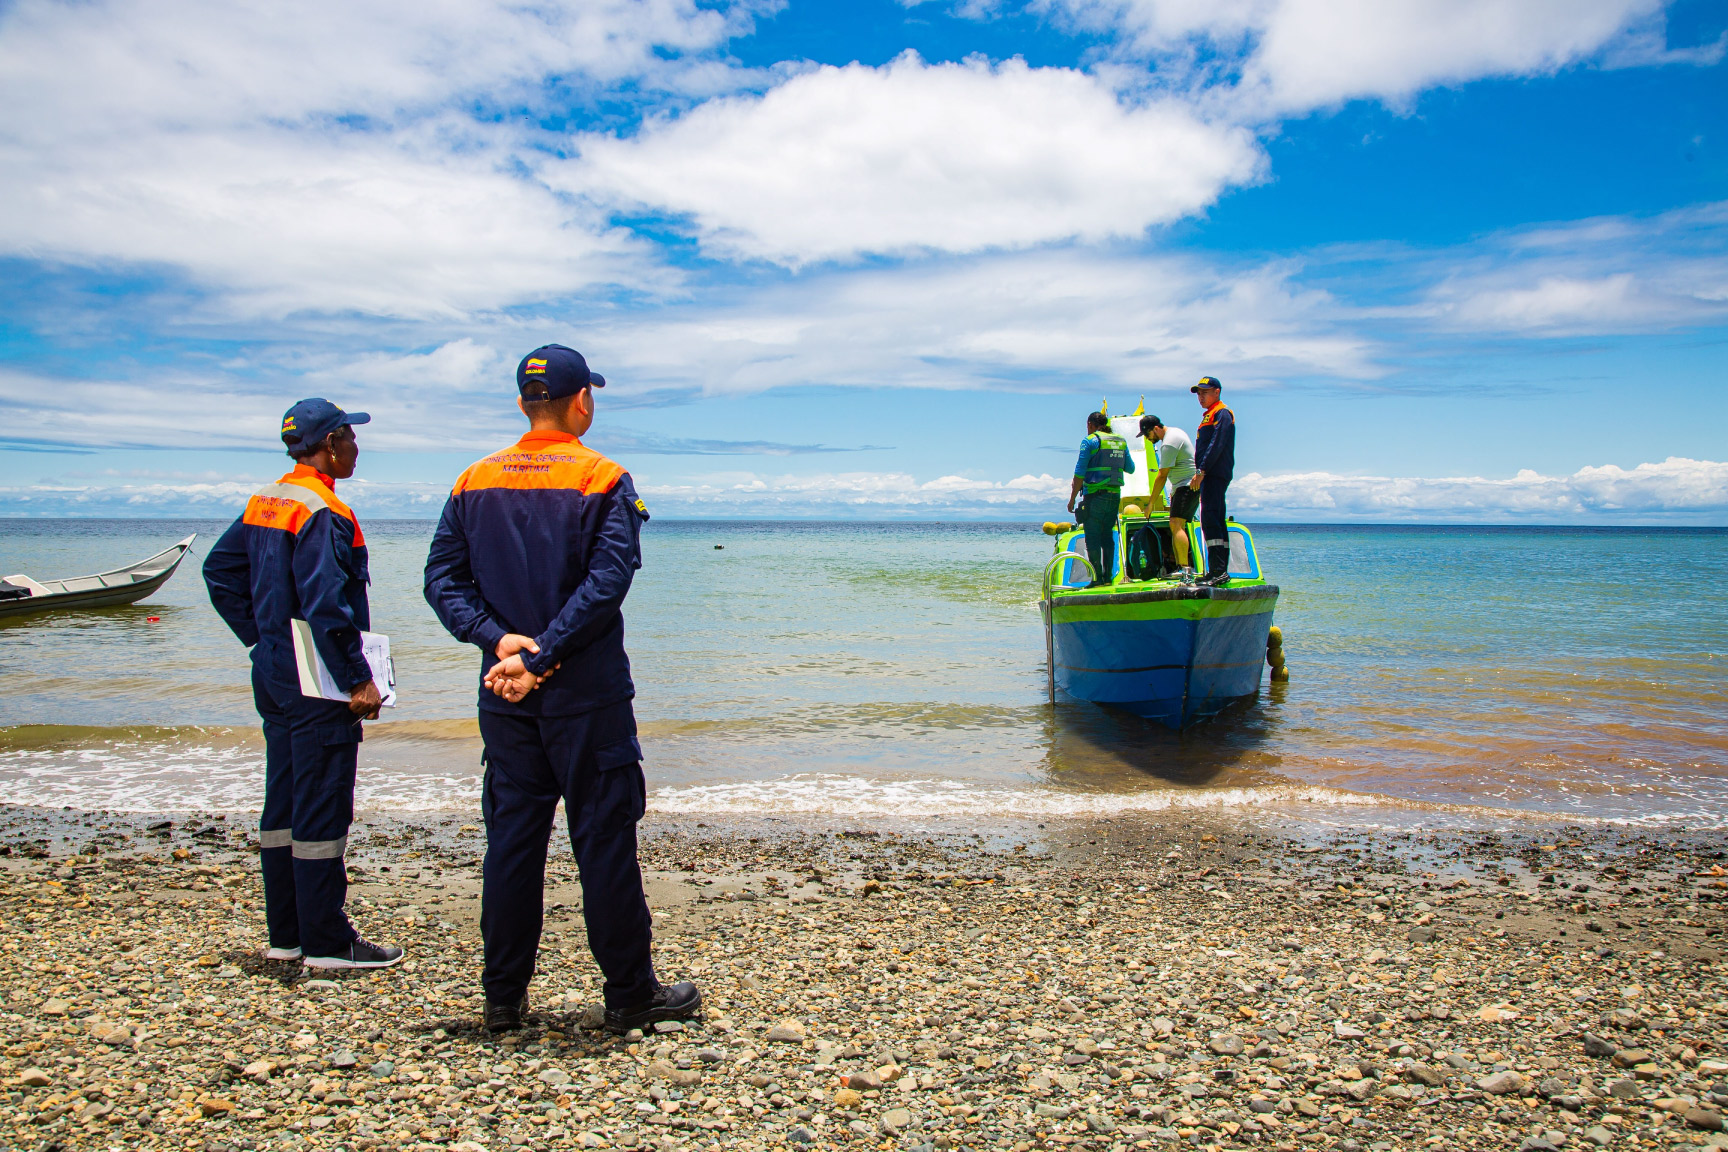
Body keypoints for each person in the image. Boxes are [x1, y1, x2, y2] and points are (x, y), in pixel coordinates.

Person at [423, 344, 700, 1036]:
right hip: (586, 696)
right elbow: (607, 584)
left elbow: (440, 580)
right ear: (583, 402)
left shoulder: (472, 480)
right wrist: (541, 651)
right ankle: (630, 994)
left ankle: (502, 1000)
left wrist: (496, 640)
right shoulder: (602, 476)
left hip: (506, 694)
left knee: (513, 843)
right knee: (602, 841)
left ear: (524, 404)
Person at [203, 400, 403, 970]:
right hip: (316, 683)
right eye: (352, 438)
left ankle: (286, 934)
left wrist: (262, 638)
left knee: (285, 802)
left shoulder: (269, 500)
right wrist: (359, 680)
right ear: (332, 442)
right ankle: (325, 943)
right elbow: (326, 606)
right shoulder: (323, 510)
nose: (357, 449)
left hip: (273, 674)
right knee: (320, 808)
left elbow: (220, 574)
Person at [1067, 410, 1135, 587]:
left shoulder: (1090, 441)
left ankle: (1096, 579)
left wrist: (1072, 499)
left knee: (1093, 538)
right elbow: (1131, 468)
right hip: (1114, 496)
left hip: (1094, 497)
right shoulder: (1120, 442)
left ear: (1090, 425)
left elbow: (1079, 473)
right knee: (1107, 537)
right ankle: (1108, 578)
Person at [1189, 376, 1236, 586]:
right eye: (1199, 393)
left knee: (1211, 519)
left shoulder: (1222, 413)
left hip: (1215, 474)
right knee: (1212, 519)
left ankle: (1219, 570)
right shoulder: (1208, 415)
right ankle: (1216, 570)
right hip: (1209, 474)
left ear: (1216, 392)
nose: (1201, 397)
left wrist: (1202, 469)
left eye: (1204, 392)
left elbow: (1217, 444)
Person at [1138, 414, 1198, 578]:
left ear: (1155, 429)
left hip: (1186, 486)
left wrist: (1150, 504)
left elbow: (1162, 475)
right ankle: (1181, 567)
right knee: (1177, 525)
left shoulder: (1168, 443)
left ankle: (1185, 568)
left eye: (1147, 435)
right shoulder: (1175, 432)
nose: (1147, 439)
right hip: (1184, 486)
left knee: (1176, 524)